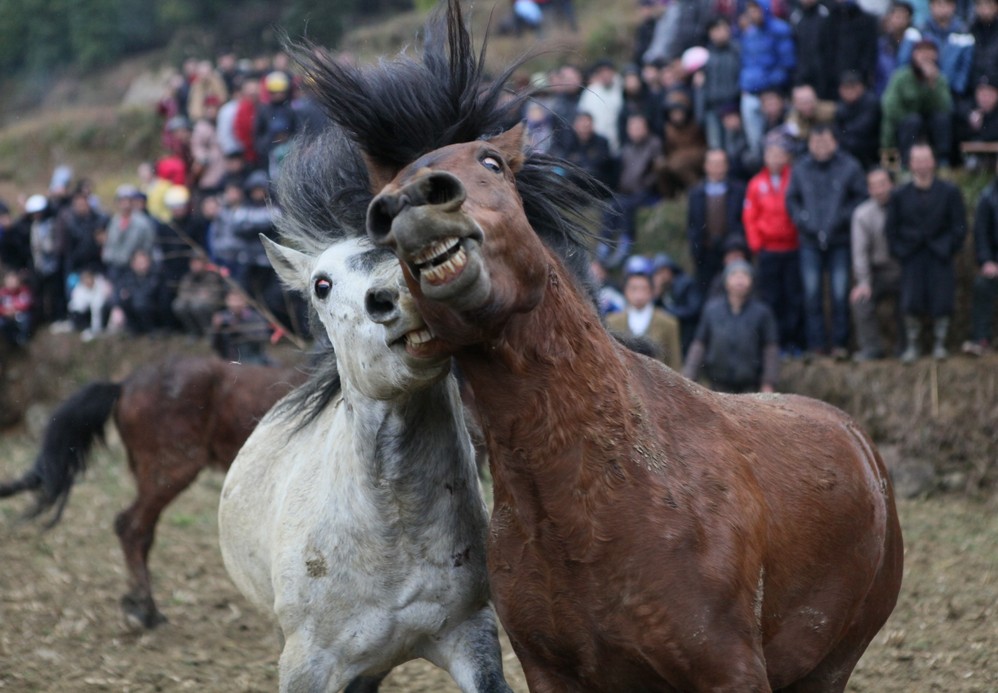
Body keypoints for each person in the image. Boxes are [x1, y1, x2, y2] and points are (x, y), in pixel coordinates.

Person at [786, 125, 867, 358]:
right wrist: (803, 220)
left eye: (825, 142)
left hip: (839, 239)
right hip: (809, 240)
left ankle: (840, 345)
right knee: (812, 294)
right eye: (816, 142)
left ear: (834, 143)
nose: (820, 147)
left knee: (840, 293)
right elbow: (792, 200)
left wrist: (841, 219)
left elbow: (859, 197)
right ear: (809, 144)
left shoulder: (849, 166)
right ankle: (817, 345)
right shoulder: (801, 168)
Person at [885, 142, 966, 361]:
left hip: (940, 255)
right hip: (912, 256)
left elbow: (959, 226)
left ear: (933, 162)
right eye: (917, 160)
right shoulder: (899, 194)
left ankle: (941, 344)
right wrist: (902, 251)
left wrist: (949, 247)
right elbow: (891, 229)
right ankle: (913, 345)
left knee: (942, 299)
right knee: (911, 301)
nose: (922, 165)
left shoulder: (949, 191)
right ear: (910, 164)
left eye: (926, 160)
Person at [743, 136, 804, 353]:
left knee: (793, 297)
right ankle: (774, 343)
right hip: (768, 250)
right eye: (772, 154)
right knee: (771, 299)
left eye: (780, 154)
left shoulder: (796, 179)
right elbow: (750, 216)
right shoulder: (756, 184)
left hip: (792, 248)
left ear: (788, 157)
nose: (776, 159)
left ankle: (793, 341)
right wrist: (756, 244)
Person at [682, 260, 780, 393]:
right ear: (725, 281)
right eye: (734, 274)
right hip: (717, 387)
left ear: (751, 281)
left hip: (751, 388)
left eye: (745, 274)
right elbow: (699, 344)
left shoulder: (762, 313)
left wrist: (768, 383)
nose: (740, 278)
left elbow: (770, 349)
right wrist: (689, 377)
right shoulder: (711, 310)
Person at [850, 168, 903, 360]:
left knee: (909, 299)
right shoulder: (862, 214)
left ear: (892, 184)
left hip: (903, 268)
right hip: (877, 271)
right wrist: (863, 282)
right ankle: (871, 348)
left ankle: (904, 347)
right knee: (861, 301)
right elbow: (860, 252)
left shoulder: (904, 205)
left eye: (883, 184)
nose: (879, 190)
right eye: (873, 186)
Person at [880, 37, 954, 167]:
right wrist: (911, 117)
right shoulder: (901, 77)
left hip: (929, 127)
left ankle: (942, 161)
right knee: (913, 121)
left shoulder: (940, 80)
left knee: (941, 119)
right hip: (905, 127)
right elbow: (889, 106)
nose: (925, 56)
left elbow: (946, 107)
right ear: (914, 55)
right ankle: (905, 164)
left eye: (930, 52)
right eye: (921, 52)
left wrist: (932, 84)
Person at [601, 114, 662, 266]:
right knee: (611, 205)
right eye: (632, 127)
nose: (635, 131)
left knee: (627, 207)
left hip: (647, 192)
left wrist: (645, 184)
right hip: (626, 192)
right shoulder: (627, 148)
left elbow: (658, 171)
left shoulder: (654, 144)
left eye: (638, 127)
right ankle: (604, 244)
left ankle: (625, 243)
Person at [739, 0, 797, 155]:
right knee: (755, 142)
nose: (753, 14)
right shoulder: (749, 34)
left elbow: (786, 63)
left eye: (756, 10)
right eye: (750, 11)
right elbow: (746, 64)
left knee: (778, 138)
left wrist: (769, 88)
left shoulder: (780, 29)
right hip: (751, 92)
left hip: (774, 92)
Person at [605, 256, 683, 370]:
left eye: (643, 288)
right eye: (634, 289)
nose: (639, 295)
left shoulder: (668, 323)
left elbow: (675, 364)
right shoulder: (612, 321)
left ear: (652, 291)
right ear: (625, 291)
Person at [687, 149, 746, 293]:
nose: (717, 168)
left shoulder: (739, 190)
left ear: (727, 166)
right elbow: (691, 223)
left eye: (721, 164)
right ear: (706, 166)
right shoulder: (696, 192)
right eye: (713, 164)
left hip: (731, 250)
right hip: (705, 251)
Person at [962, 165, 998, 355]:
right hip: (995, 265)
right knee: (982, 285)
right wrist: (987, 261)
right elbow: (981, 234)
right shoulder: (988, 197)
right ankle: (981, 339)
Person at [692, 16, 741, 149]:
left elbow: (741, 82)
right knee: (715, 149)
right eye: (714, 30)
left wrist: (734, 108)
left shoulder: (737, 51)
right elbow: (700, 87)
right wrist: (700, 115)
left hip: (733, 109)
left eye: (720, 28)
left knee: (733, 149)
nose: (717, 33)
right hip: (712, 110)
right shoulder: (705, 56)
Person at [102, 185, 157, 285]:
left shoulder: (143, 222)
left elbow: (148, 244)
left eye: (128, 200)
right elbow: (109, 244)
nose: (125, 204)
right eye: (122, 200)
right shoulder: (114, 221)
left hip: (134, 269)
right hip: (115, 267)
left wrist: (140, 260)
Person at [650, 252, 702, 353]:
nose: (662, 276)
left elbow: (694, 310)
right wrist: (657, 293)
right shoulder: (663, 288)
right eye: (658, 273)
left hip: (687, 332)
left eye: (663, 271)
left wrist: (670, 312)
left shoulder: (686, 284)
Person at [550, 111, 616, 188]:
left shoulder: (601, 142)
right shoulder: (570, 141)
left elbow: (598, 165)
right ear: (575, 126)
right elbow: (564, 161)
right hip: (573, 182)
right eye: (582, 125)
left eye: (587, 125)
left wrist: (578, 162)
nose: (585, 129)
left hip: (596, 184)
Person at [110, 248, 166, 336]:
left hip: (153, 309)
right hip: (135, 308)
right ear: (133, 264)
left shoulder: (156, 275)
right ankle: (134, 329)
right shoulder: (127, 276)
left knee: (140, 304)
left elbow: (149, 292)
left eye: (144, 262)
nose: (143, 265)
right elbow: (119, 292)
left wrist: (131, 294)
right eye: (139, 263)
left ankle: (151, 329)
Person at [172, 253, 228, 337]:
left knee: (197, 306)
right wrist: (197, 295)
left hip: (212, 305)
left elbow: (214, 295)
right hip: (193, 302)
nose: (196, 266)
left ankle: (209, 332)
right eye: (193, 263)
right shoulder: (188, 277)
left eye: (198, 262)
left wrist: (196, 296)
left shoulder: (212, 276)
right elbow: (182, 293)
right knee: (178, 305)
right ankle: (193, 331)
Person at [211, 287, 273, 364]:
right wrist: (216, 329)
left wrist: (239, 330)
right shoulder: (223, 317)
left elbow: (262, 340)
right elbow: (215, 346)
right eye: (232, 300)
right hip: (229, 359)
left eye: (238, 300)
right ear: (227, 301)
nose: (235, 304)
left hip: (252, 357)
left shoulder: (255, 317)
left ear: (245, 301)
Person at [835, 70, 883, 169]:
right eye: (846, 88)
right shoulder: (841, 107)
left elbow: (864, 127)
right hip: (851, 144)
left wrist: (845, 131)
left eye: (852, 87)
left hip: (876, 145)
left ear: (861, 87)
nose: (849, 92)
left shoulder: (871, 102)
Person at [67, 268, 112, 340]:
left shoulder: (100, 285)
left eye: (89, 278)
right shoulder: (79, 289)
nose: (88, 281)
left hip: (100, 312)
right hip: (85, 314)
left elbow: (99, 305)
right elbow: (76, 306)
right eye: (85, 279)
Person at [0, 269, 33, 347]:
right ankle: (8, 342)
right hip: (6, 316)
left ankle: (23, 339)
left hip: (20, 315)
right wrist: (5, 312)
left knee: (25, 318)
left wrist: (15, 310)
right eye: (9, 281)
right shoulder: (2, 293)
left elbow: (26, 304)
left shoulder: (24, 290)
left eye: (13, 280)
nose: (11, 283)